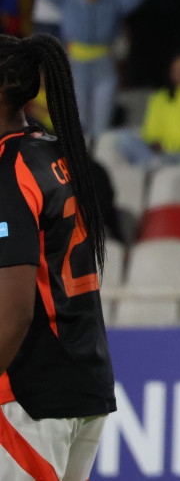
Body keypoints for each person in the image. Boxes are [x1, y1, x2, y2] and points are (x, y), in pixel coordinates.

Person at [0, 34, 115, 479]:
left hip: (31, 394)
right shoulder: (53, 151)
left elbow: (13, 315)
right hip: (84, 381)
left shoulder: (8, 171)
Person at [30, 0, 148, 139]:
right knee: (78, 124)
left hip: (104, 64)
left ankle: (97, 164)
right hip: (76, 65)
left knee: (101, 125)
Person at [116, 51, 180, 168]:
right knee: (123, 137)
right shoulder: (160, 97)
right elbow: (150, 130)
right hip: (162, 152)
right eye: (177, 69)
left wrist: (173, 146)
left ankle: (153, 166)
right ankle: (154, 164)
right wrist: (155, 142)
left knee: (169, 160)